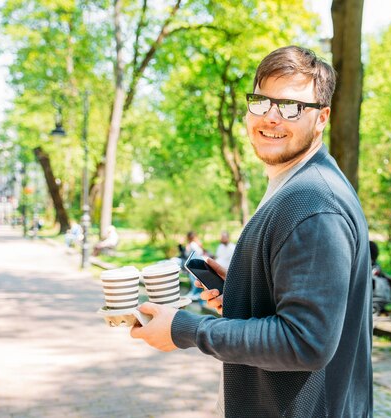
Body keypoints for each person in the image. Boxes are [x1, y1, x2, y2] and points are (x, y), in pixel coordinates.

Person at [131, 46, 373, 417]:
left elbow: (306, 342)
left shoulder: (313, 203)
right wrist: (248, 293)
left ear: (322, 117)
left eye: (292, 107)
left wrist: (186, 330)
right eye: (262, 102)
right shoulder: (296, 186)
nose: (271, 117)